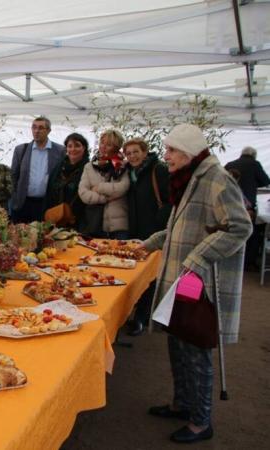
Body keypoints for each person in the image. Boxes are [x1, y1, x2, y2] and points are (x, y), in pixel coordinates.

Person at [143, 124, 252, 444]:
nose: (167, 156)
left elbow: (239, 227)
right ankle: (182, 403)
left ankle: (201, 420)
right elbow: (178, 227)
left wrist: (198, 259)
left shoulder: (217, 179)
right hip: (183, 276)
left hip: (197, 281)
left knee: (194, 342)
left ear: (189, 151)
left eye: (172, 150)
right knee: (177, 338)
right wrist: (148, 243)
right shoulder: (188, 178)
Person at [123, 138, 172, 336]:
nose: (132, 156)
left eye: (136, 152)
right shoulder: (130, 172)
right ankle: (135, 314)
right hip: (137, 230)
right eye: (128, 153)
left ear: (145, 152)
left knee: (150, 276)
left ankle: (141, 318)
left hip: (154, 230)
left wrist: (158, 221)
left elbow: (170, 200)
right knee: (137, 273)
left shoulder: (157, 170)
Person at [10, 116, 65, 223]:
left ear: (48, 131)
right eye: (34, 127)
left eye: (40, 128)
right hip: (23, 203)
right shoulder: (21, 150)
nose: (36, 131)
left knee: (43, 237)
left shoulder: (60, 151)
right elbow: (13, 176)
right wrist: (15, 197)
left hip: (46, 205)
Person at [78, 129, 129, 239]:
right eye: (102, 143)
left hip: (119, 224)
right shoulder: (89, 166)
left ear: (116, 147)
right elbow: (83, 192)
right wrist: (103, 198)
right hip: (95, 223)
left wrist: (99, 188)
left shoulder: (123, 165)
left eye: (109, 144)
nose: (103, 147)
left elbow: (123, 187)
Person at [224, 146, 270, 270]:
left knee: (229, 229)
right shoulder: (255, 164)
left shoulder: (230, 164)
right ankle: (249, 262)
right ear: (253, 155)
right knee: (252, 232)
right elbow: (266, 181)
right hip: (247, 206)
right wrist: (254, 183)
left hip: (228, 204)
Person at [45, 133, 89, 230]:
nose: (73, 149)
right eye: (70, 146)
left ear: (84, 148)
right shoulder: (59, 167)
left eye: (77, 145)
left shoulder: (88, 168)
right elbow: (49, 190)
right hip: (56, 218)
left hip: (78, 221)